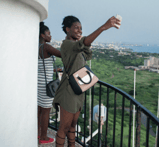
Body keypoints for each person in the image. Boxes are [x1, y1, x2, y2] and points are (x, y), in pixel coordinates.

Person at [52, 15, 121, 147]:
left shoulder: (77, 45)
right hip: (69, 90)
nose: (79, 30)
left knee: (73, 126)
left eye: (81, 28)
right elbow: (83, 43)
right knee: (64, 127)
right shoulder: (67, 45)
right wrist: (103, 27)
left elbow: (87, 53)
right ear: (67, 29)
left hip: (79, 89)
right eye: (76, 28)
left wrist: (84, 44)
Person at [38, 22, 62, 144]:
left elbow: (41, 65)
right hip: (46, 85)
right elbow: (62, 54)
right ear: (42, 35)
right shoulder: (46, 47)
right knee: (46, 110)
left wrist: (53, 69)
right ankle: (43, 137)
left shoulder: (36, 47)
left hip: (38, 83)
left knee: (39, 110)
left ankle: (37, 133)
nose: (50, 36)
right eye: (49, 34)